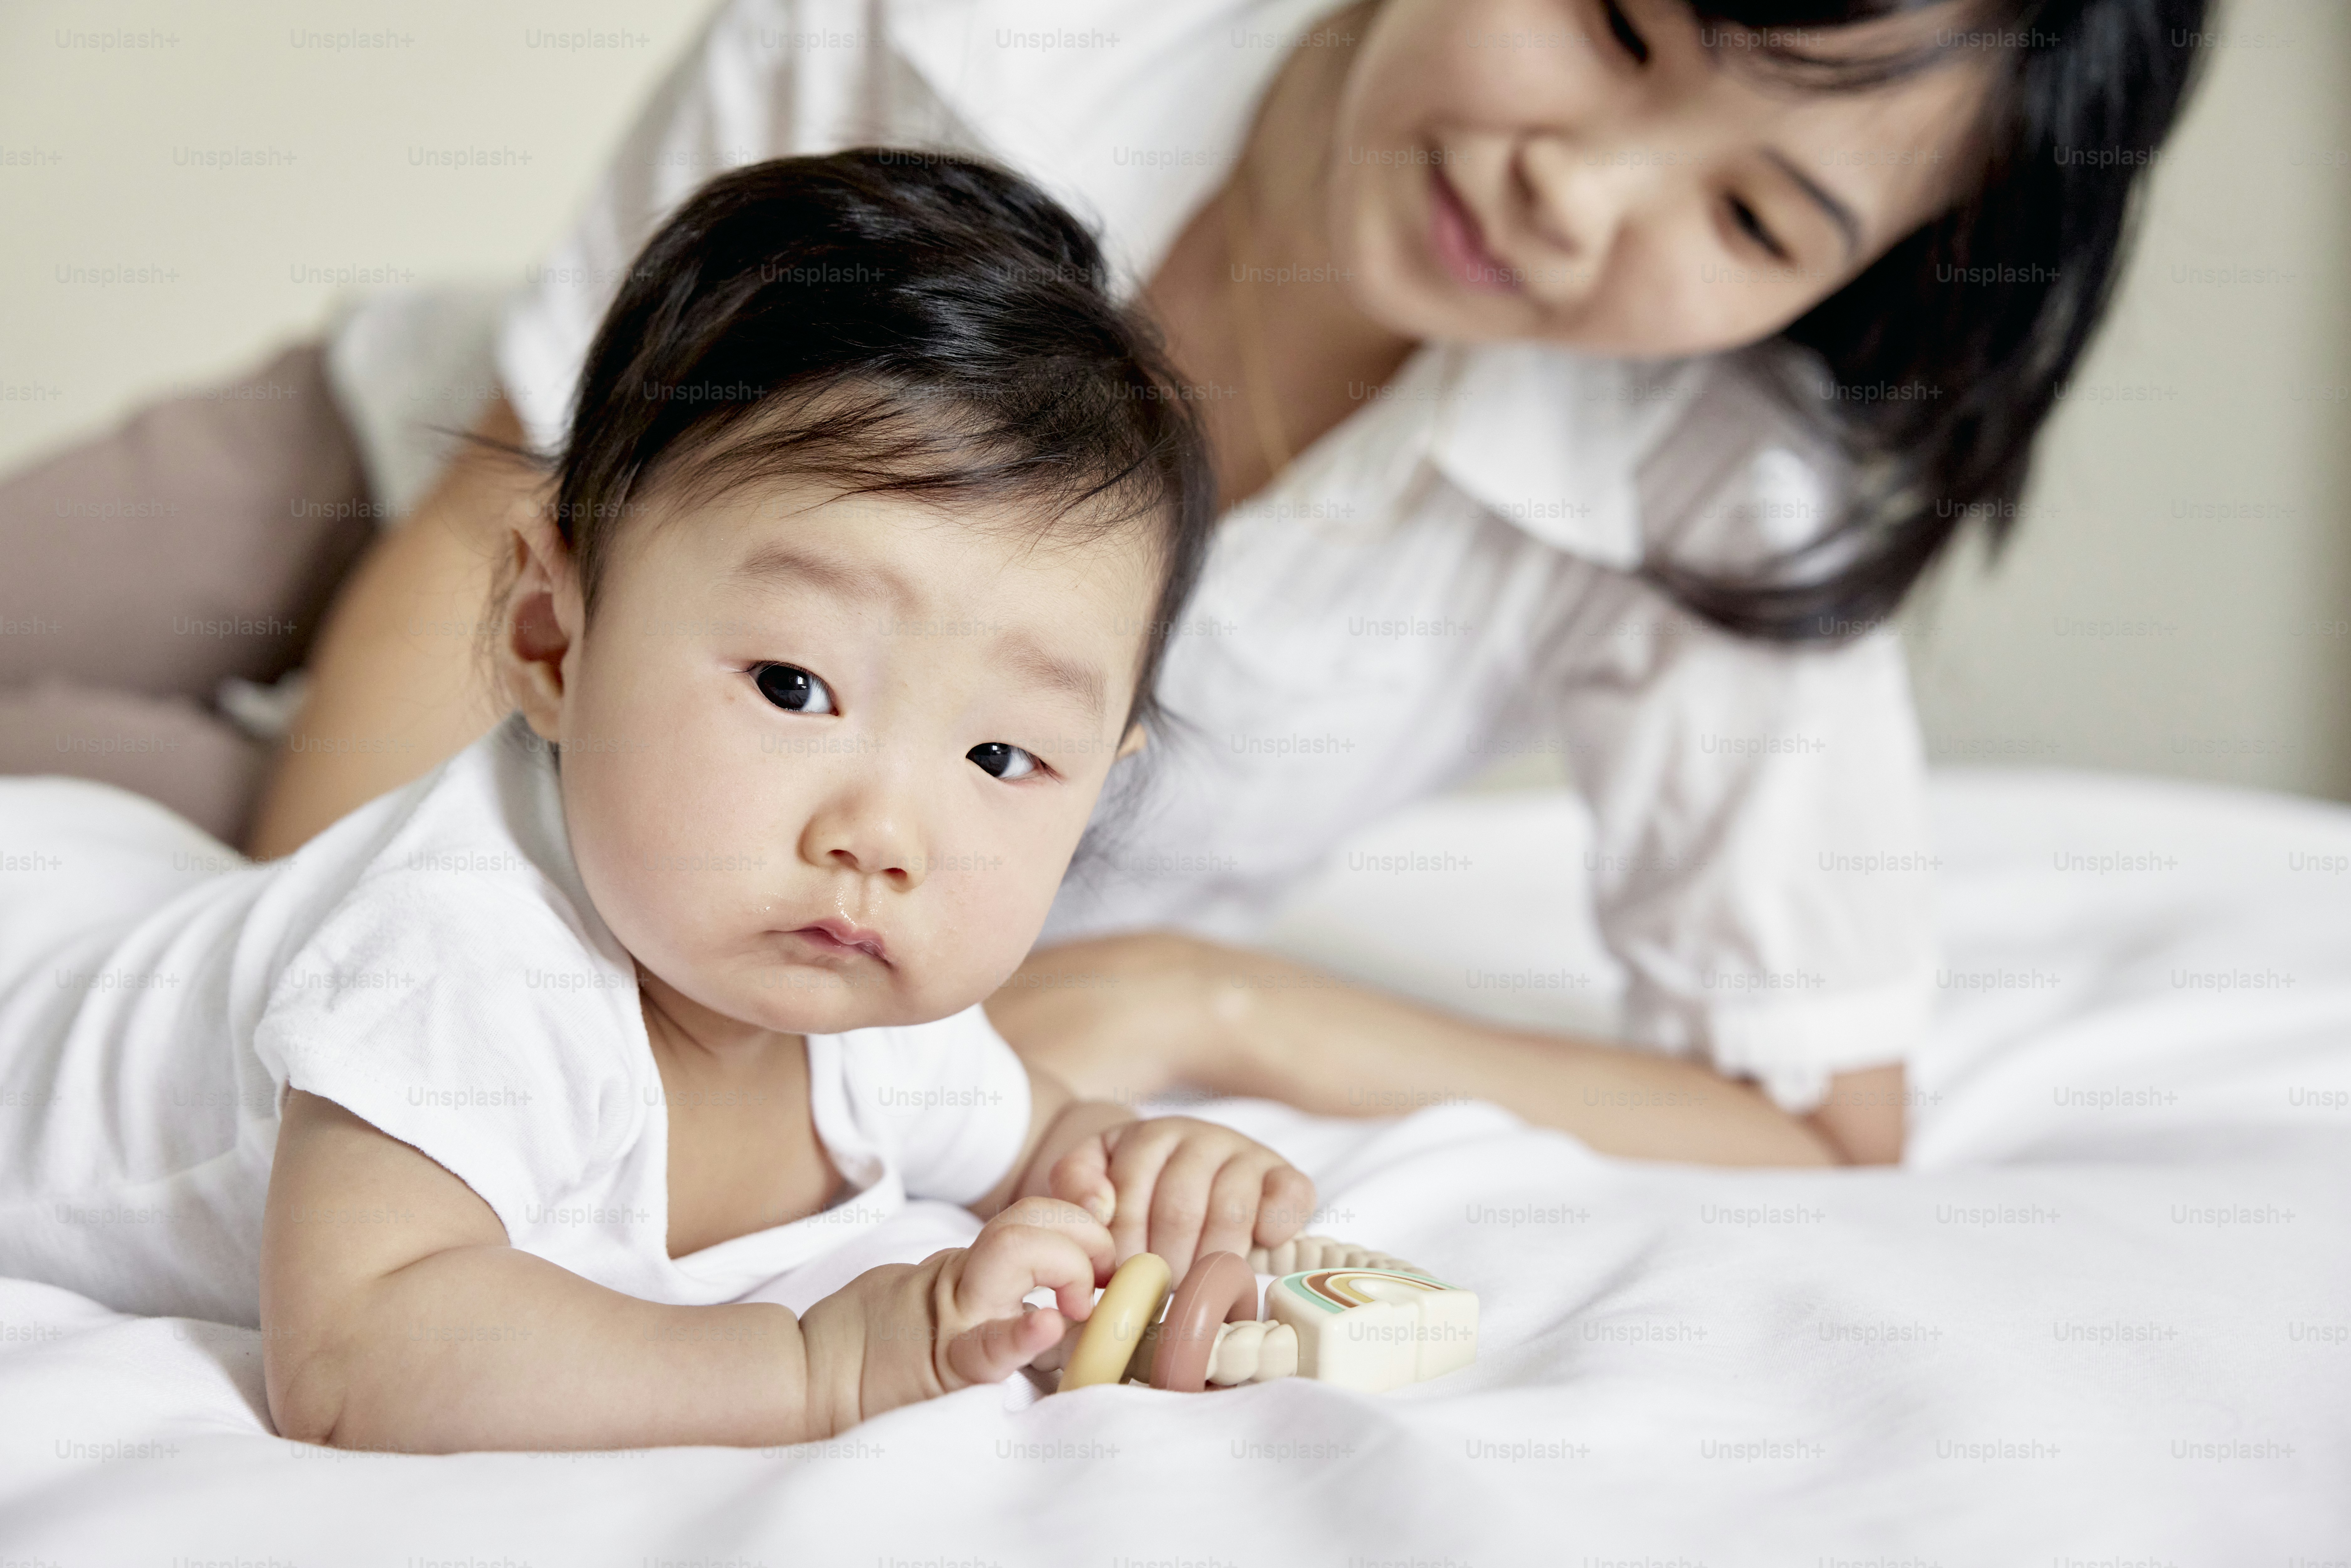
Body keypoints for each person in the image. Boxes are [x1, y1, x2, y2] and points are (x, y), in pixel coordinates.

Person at [0, 0, 2212, 1169]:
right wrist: (340, 1014)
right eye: (1621, 26)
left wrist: (1206, 999)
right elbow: (513, 497)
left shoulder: (1718, 484)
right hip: (440, 479)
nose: (1576, 193)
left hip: (706, 801)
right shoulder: (988, 21)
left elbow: (1823, 1117)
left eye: (1756, 223)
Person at [0, 152, 1315, 1451]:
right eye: (796, 687)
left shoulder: (866, 999)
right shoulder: (463, 962)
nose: (883, 835)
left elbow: (1039, 1137)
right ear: (549, 638)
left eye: (999, 759)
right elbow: (359, 1356)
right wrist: (817, 1363)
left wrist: (1142, 1170)